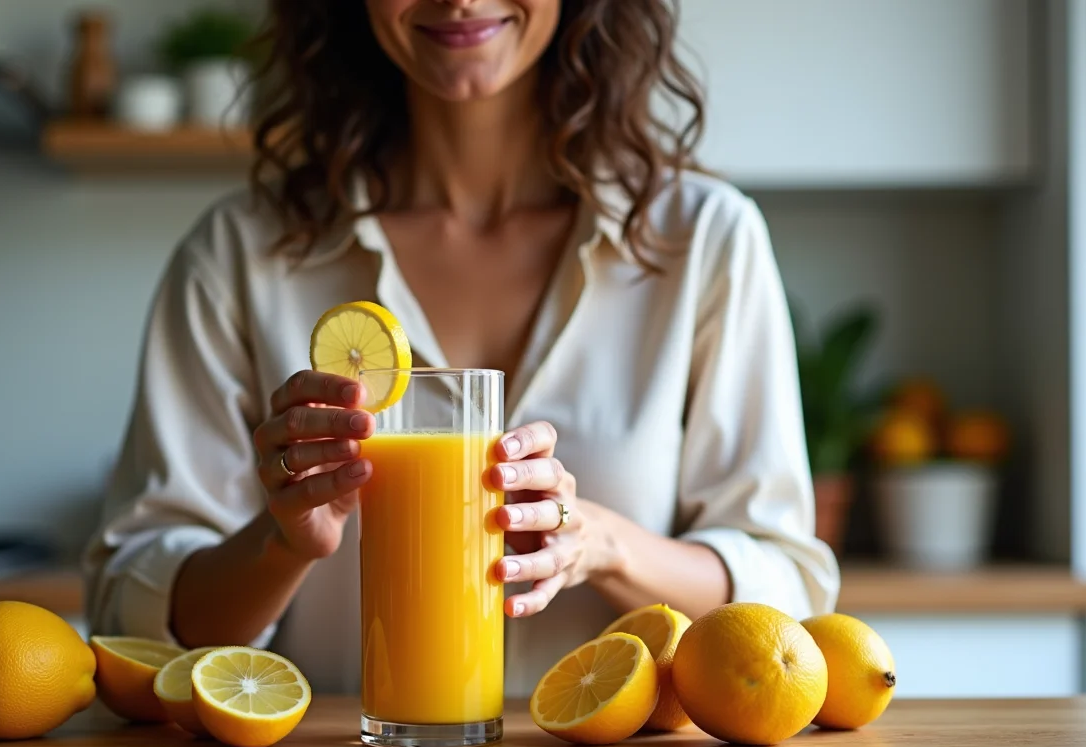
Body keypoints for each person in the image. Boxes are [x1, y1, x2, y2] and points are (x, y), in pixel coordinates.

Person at [82, 0, 839, 698]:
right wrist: (280, 544)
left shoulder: (703, 242)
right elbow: (136, 618)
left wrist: (604, 545)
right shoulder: (242, 255)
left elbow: (785, 593)